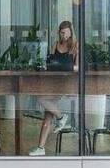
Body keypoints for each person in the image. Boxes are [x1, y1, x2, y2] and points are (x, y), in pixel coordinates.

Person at [29, 20, 78, 156]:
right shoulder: (55, 45)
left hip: (66, 83)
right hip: (53, 82)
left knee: (41, 99)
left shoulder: (75, 46)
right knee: (47, 116)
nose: (63, 35)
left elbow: (78, 67)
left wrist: (61, 66)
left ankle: (61, 117)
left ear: (70, 32)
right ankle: (41, 147)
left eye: (65, 33)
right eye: (61, 33)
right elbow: (50, 63)